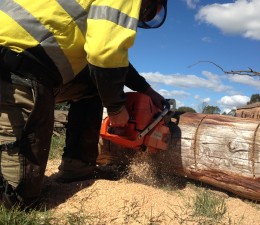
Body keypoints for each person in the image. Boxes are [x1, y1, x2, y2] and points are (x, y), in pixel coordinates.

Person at [0, 0, 168, 209]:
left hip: (23, 60)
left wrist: (146, 89)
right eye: (149, 11)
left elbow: (112, 59)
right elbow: (104, 53)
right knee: (16, 201)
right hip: (16, 67)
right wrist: (115, 108)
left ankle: (77, 169)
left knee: (93, 85)